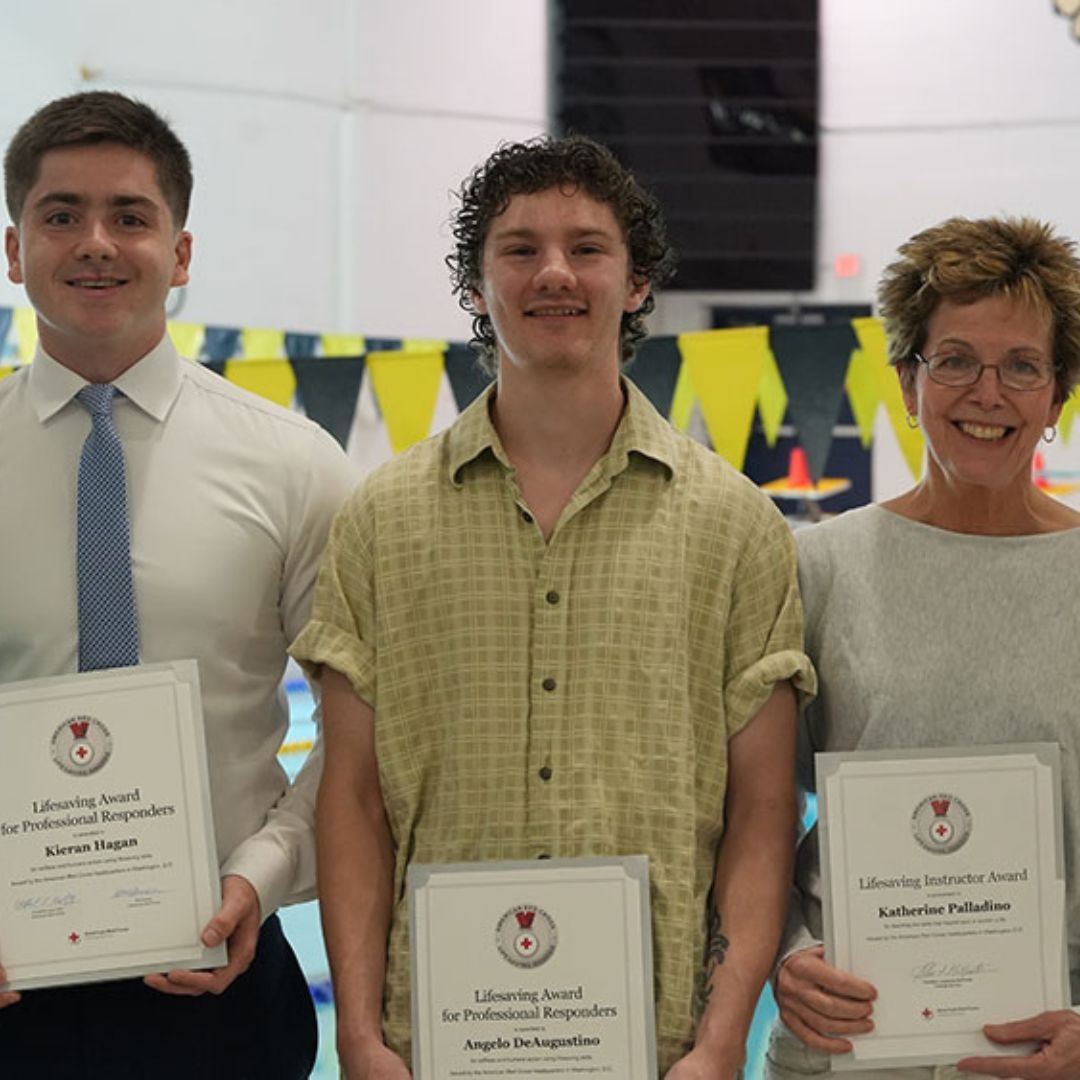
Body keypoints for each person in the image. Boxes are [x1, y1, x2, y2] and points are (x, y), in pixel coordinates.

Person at [291, 133, 815, 1079]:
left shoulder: (736, 524)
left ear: (639, 279)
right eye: (519, 249)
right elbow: (354, 799)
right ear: (476, 283)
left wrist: (724, 1037)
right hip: (433, 1046)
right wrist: (361, 1039)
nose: (554, 273)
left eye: (588, 247)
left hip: (658, 1048)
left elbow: (763, 807)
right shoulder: (381, 519)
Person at [0, 91, 357, 1078]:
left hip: (226, 969)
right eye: (61, 214)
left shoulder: (294, 465)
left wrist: (264, 874)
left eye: (130, 215)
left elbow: (365, 723)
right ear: (13, 246)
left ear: (182, 252)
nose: (96, 243)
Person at [767, 215, 1080, 1080]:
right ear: (907, 382)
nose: (989, 392)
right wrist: (788, 955)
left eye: (1022, 365)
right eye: (954, 360)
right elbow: (748, 810)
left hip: (1051, 1048)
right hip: (843, 1043)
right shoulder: (815, 567)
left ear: (1058, 396)